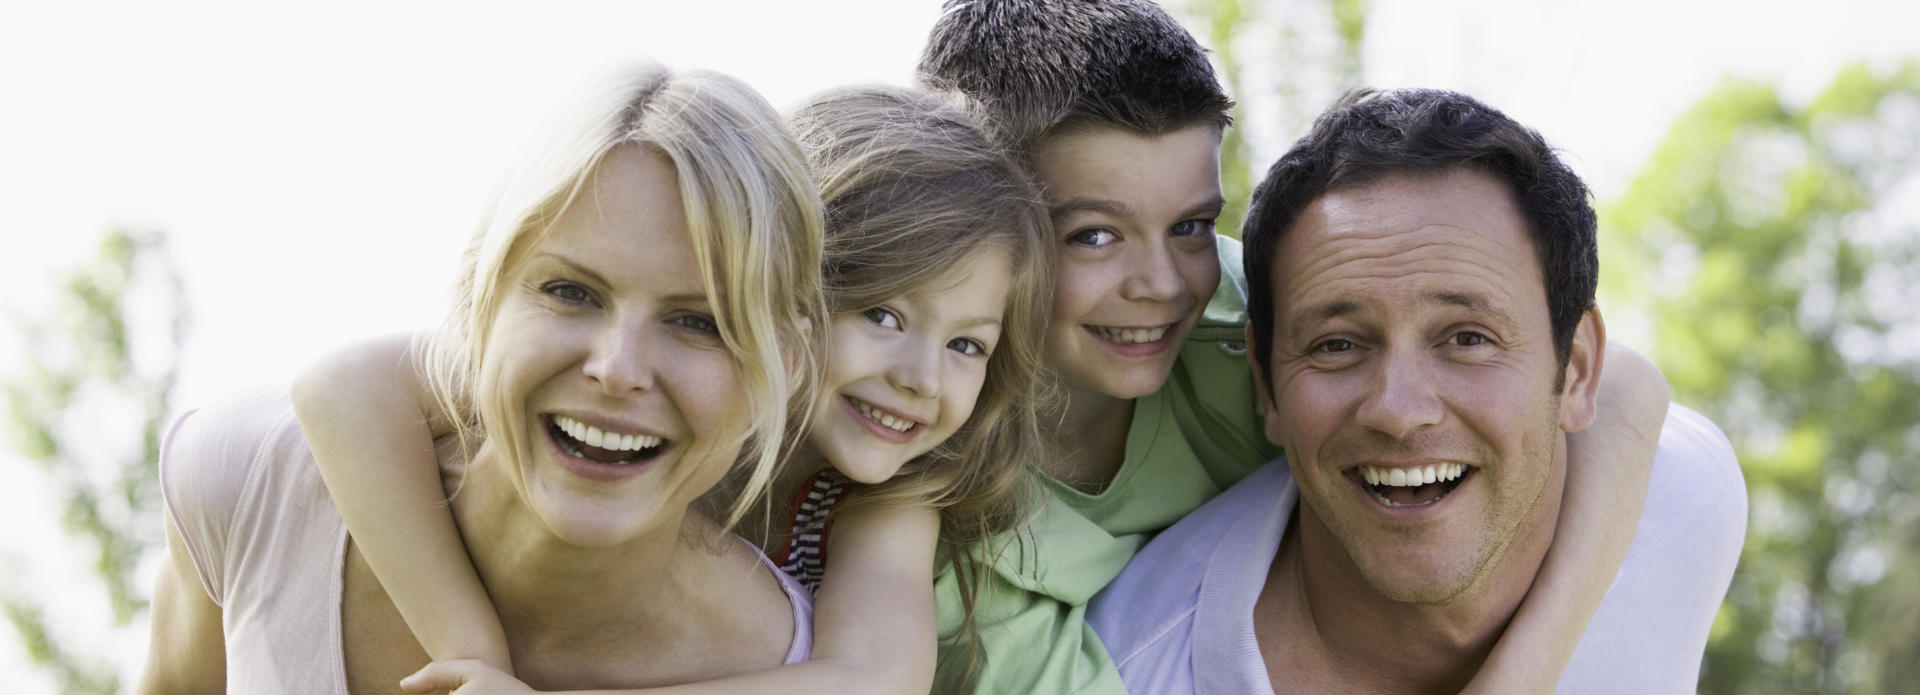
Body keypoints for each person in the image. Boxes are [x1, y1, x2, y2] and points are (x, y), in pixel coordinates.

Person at [916, 1, 1675, 692]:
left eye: (1189, 225)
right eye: (1094, 234)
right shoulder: (932, 496)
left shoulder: (1243, 316)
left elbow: (1619, 386)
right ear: (973, 223)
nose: (1160, 284)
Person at [280, 85, 1056, 694]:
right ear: (771, 291)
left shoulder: (884, 500)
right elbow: (340, 385)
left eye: (967, 344)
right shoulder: (616, 378)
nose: (920, 376)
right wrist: (472, 650)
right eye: (883, 314)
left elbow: (872, 680)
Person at [137, 62, 828, 693]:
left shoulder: (791, 666)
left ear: (786, 367)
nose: (618, 370)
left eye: (699, 323)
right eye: (571, 291)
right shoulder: (252, 482)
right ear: (479, 301)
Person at [1087, 88, 1748, 694]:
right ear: (1266, 384)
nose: (1399, 412)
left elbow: (1635, 397)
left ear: (1575, 369)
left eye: (1466, 338)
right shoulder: (1129, 670)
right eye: (1337, 344)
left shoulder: (1683, 500)